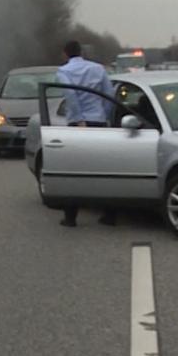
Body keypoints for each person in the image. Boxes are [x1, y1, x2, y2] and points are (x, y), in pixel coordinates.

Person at [55, 40, 118, 228]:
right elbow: (109, 95)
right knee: (102, 169)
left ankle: (71, 217)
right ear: (81, 51)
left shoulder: (63, 72)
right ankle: (109, 214)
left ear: (65, 54)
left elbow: (71, 96)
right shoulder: (98, 69)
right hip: (98, 121)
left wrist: (80, 119)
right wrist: (104, 116)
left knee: (73, 170)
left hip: (77, 123)